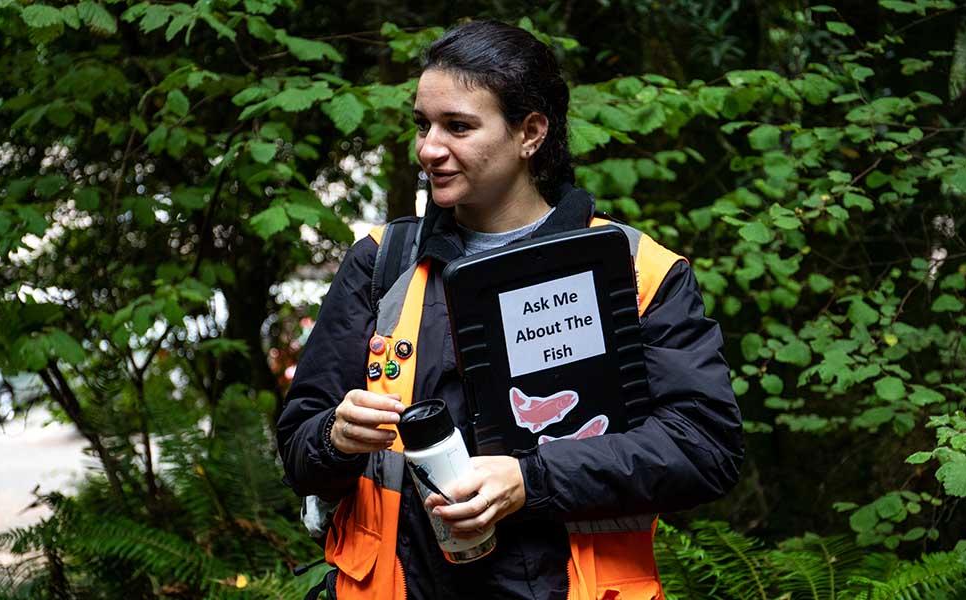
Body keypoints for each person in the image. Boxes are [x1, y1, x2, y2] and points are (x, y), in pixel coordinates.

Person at [277, 19, 744, 600]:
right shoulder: (383, 264)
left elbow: (703, 448)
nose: (429, 148)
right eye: (423, 125)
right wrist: (335, 436)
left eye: (459, 127)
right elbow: (299, 450)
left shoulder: (634, 269)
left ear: (530, 133)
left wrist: (531, 479)